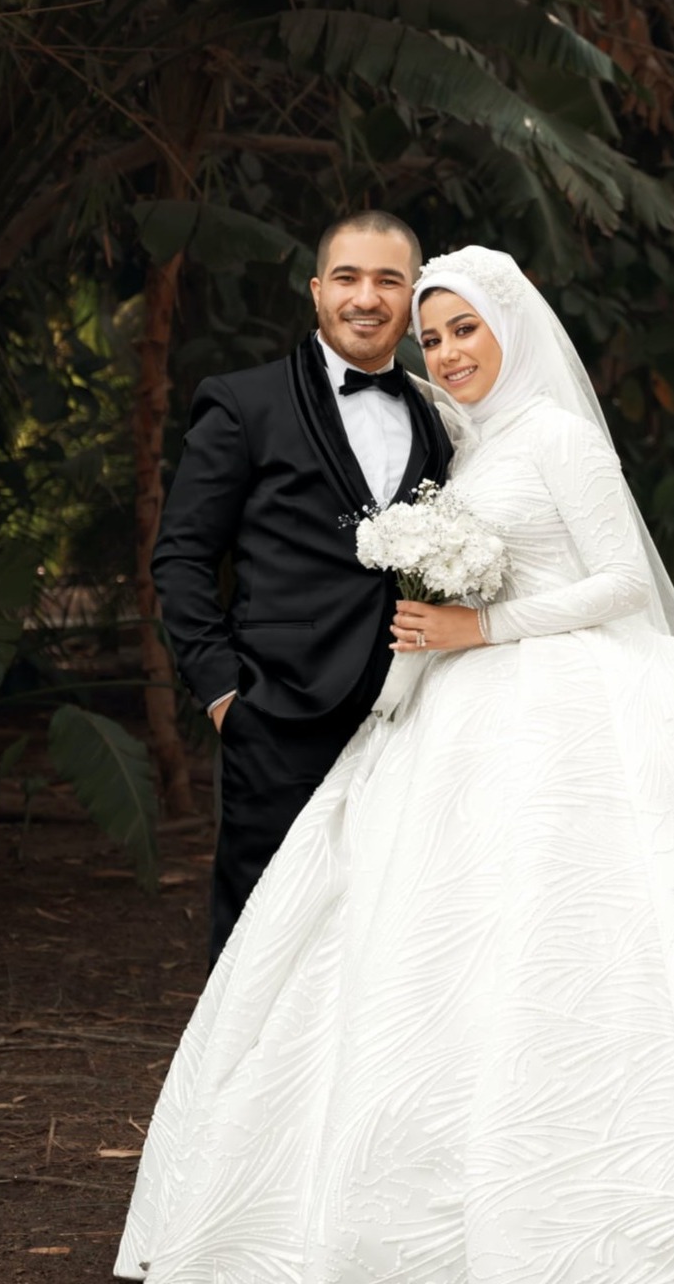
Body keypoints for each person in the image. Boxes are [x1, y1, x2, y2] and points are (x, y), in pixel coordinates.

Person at [116, 245, 674, 1284]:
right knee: (426, 937)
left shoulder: (558, 435)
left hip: (561, 703)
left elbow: (619, 580)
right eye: (433, 338)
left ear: (510, 325)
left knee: (562, 929)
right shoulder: (464, 443)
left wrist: (483, 625)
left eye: (464, 328)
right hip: (447, 710)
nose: (447, 352)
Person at [153, 210, 453, 966]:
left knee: (389, 933)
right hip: (279, 712)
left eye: (388, 280)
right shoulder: (243, 402)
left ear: (413, 296)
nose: (367, 297)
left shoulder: (441, 417)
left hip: (414, 720)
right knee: (263, 935)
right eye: (348, 277)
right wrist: (225, 695)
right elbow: (182, 557)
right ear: (317, 291)